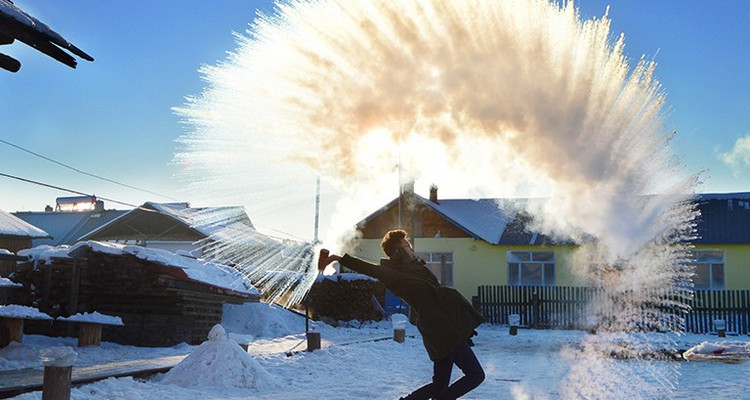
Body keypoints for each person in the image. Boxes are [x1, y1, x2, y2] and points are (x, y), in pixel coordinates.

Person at [320, 229, 485, 400]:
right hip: (441, 331)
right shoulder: (395, 276)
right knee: (475, 375)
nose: (412, 249)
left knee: (439, 386)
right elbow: (372, 270)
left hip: (444, 328)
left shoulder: (418, 270)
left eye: (410, 245)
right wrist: (338, 259)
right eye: (407, 246)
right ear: (399, 252)